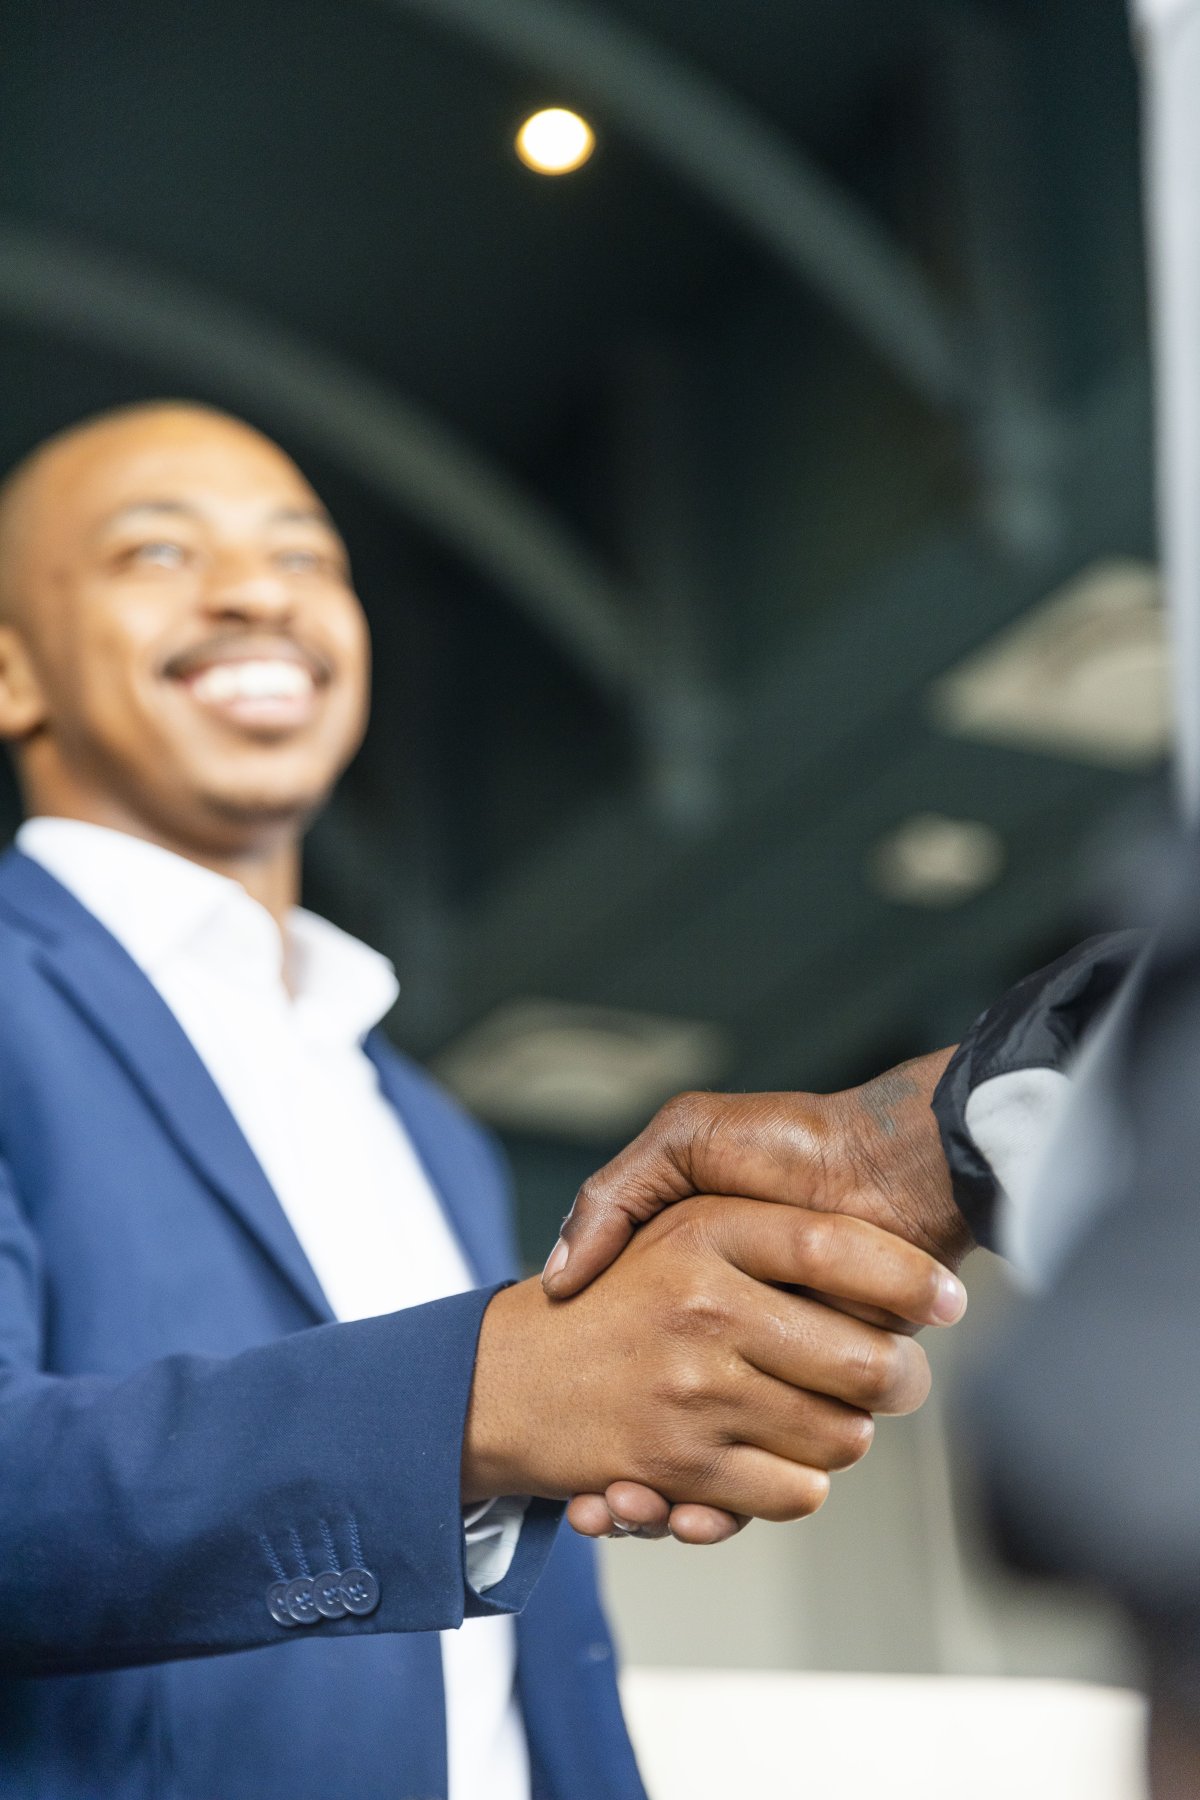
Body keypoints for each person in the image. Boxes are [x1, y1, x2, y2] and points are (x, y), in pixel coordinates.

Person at [0, 400, 965, 1800]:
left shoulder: (423, 1122)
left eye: (305, 557)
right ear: (13, 667)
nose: (258, 593)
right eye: (159, 551)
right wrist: (481, 1395)